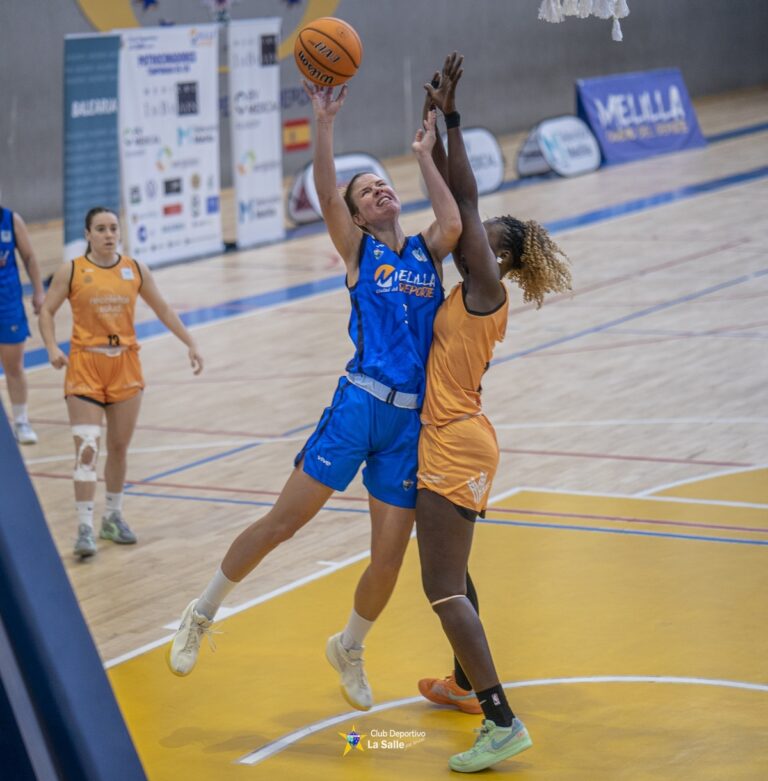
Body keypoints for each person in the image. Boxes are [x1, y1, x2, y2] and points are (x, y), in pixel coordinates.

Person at [166, 82, 461, 713]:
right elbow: (327, 193)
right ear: (355, 216)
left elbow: (455, 222)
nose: (378, 190)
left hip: (408, 425)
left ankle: (349, 646)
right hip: (358, 406)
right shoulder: (359, 251)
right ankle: (201, 610)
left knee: (388, 560)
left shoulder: (425, 252)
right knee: (283, 524)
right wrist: (323, 122)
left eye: (382, 184)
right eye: (366, 192)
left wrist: (424, 157)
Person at [414, 54, 572, 772]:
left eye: (484, 237)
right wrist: (439, 133)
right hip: (461, 437)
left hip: (454, 442)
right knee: (456, 574)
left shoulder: (485, 285)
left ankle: (502, 719)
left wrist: (453, 119)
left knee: (442, 585)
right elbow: (457, 202)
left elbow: (467, 204)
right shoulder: (470, 285)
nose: (470, 235)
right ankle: (459, 682)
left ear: (498, 256)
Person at [38, 207, 203, 559]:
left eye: (113, 228)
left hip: (126, 366)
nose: (108, 234)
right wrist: (52, 347)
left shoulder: (136, 269)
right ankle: (84, 526)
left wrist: (190, 342)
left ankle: (112, 517)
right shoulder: (72, 271)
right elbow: (46, 311)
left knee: (119, 447)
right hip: (85, 365)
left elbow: (164, 310)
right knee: (87, 447)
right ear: (87, 234)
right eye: (100, 229)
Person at [0, 204, 45, 444]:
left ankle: (21, 421)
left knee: (14, 367)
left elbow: (29, 257)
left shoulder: (10, 219)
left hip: (8, 305)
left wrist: (39, 292)